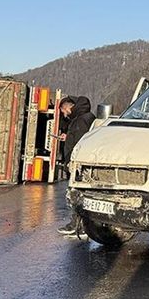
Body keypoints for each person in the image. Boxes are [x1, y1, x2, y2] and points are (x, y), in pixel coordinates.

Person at [56, 96, 95, 236]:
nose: (63, 114)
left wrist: (71, 163)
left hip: (77, 165)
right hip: (80, 164)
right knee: (79, 195)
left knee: (75, 195)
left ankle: (77, 226)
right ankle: (81, 226)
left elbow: (80, 142)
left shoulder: (80, 120)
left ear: (67, 107)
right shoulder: (85, 117)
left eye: (63, 111)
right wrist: (68, 137)